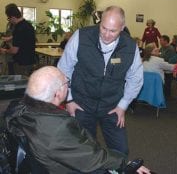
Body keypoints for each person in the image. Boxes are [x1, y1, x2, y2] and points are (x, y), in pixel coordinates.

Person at [4, 66, 151, 174]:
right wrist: (124, 163)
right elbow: (92, 158)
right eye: (66, 82)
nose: (68, 84)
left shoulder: (17, 107)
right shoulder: (56, 128)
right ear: (58, 93)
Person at [57, 6, 143, 156]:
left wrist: (123, 105)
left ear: (122, 28)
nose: (107, 34)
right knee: (84, 150)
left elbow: (135, 78)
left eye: (113, 31)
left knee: (121, 152)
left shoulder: (130, 46)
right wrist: (69, 100)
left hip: (112, 105)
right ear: (100, 22)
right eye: (103, 28)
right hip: (81, 103)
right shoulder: (81, 37)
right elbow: (64, 70)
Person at [0, 3, 36, 76]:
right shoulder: (28, 25)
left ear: (13, 17)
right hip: (30, 61)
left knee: (18, 84)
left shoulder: (18, 29)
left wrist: (4, 51)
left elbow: (14, 50)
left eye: (8, 18)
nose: (9, 21)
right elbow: (22, 37)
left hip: (21, 64)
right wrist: (10, 38)